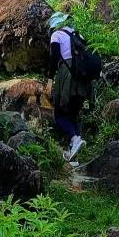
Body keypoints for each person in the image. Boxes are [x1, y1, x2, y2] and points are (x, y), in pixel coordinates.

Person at [49, 10, 89, 160]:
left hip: (67, 76)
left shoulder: (56, 35)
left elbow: (53, 59)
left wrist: (50, 79)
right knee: (72, 114)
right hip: (83, 80)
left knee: (59, 115)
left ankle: (74, 139)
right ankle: (75, 148)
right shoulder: (77, 35)